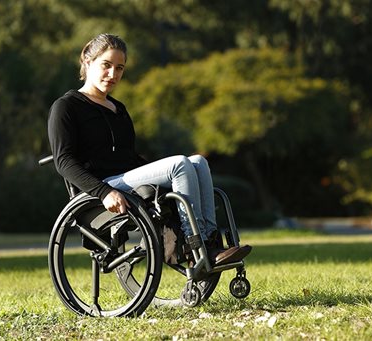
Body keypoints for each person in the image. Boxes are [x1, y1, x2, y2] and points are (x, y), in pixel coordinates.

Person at [48, 33, 251, 265]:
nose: (113, 74)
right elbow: (63, 161)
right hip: (101, 187)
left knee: (197, 162)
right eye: (106, 65)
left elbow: (129, 157)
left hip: (125, 179)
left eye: (120, 68)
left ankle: (211, 242)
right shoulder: (66, 106)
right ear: (87, 61)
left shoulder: (118, 109)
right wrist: (103, 192)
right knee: (179, 165)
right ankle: (196, 246)